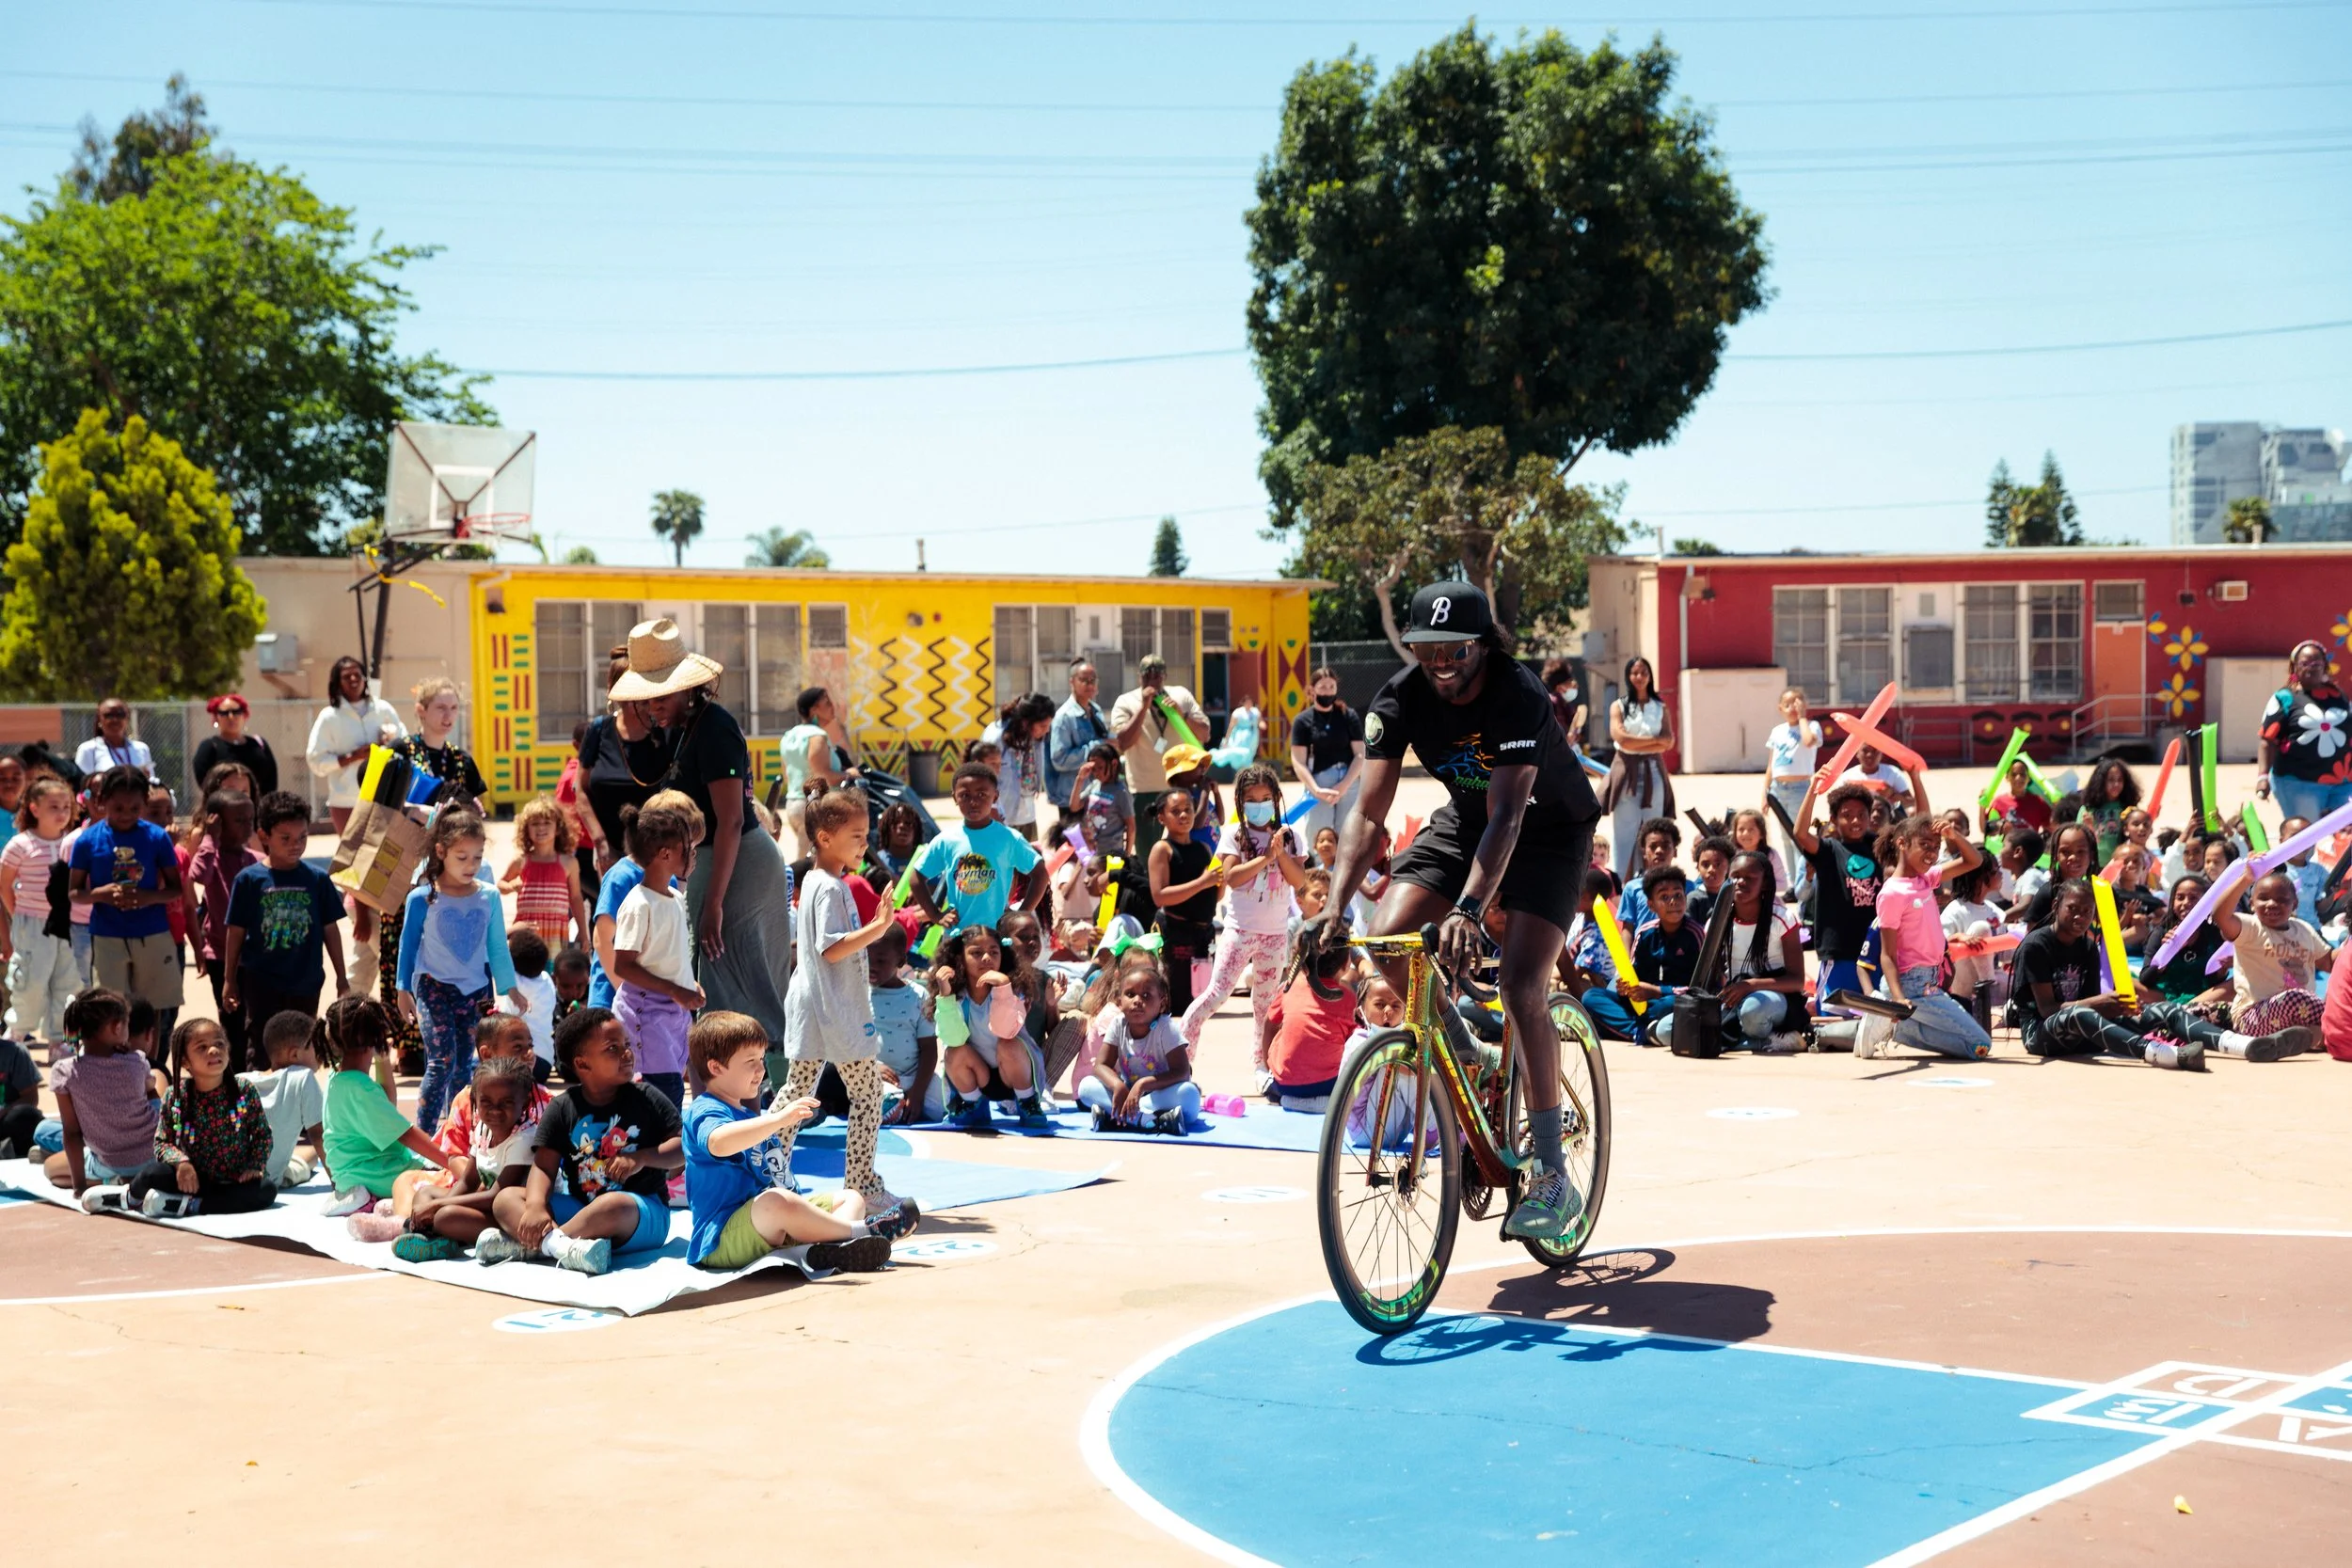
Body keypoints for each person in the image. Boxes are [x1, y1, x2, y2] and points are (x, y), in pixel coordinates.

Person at [1318, 581, 1604, 1241]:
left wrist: (1469, 911)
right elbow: (1368, 812)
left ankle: (1553, 1174)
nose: (1441, 662)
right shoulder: (1397, 700)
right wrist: (1333, 906)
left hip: (1548, 829)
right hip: (1470, 821)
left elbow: (1510, 816)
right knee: (1385, 937)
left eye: (1456, 649)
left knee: (1521, 985)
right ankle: (1465, 1045)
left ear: (1484, 646)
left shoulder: (1518, 693)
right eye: (1428, 649)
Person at [619, 618, 796, 1043]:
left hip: (739, 861)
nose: (653, 705)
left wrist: (714, 902)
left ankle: (761, 1072)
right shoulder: (680, 730)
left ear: (687, 687)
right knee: (714, 976)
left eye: (662, 694)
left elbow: (731, 820)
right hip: (713, 860)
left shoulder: (714, 727)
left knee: (739, 977)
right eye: (647, 697)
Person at [684, 1010, 914, 1275]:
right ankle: (863, 1231)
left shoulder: (746, 1114)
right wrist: (778, 1119)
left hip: (772, 1224)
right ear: (716, 1067)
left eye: (761, 1059)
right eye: (750, 1061)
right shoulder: (705, 1110)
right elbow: (718, 1142)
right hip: (722, 1238)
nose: (761, 1070)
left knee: (851, 1198)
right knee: (776, 1201)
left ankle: (832, 1250)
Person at [2014, 880, 2307, 1069]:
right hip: (2042, 1033)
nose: (2080, 917)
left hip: (2084, 1029)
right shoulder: (2036, 946)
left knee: (2166, 1010)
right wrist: (2100, 1003)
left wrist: (2115, 1006)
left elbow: (2091, 1001)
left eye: (2087, 911)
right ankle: (2162, 1054)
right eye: (2073, 909)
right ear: (2056, 907)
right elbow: (2048, 1010)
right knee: (2079, 1014)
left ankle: (2244, 1045)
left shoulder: (2087, 946)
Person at [478, 1007, 682, 1275]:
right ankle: (561, 1247)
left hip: (641, 1213)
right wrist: (536, 1206)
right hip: (579, 1208)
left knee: (611, 1205)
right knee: (506, 1199)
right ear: (583, 1064)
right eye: (613, 1048)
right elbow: (543, 1167)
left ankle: (538, 1246)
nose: (627, 1053)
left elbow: (682, 1148)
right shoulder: (562, 1107)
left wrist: (641, 1158)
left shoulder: (647, 1096)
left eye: (627, 1045)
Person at [779, 786, 901, 1207]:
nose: (865, 844)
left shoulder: (819, 881)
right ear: (825, 838)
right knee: (867, 1094)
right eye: (857, 835)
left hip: (816, 1003)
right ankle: (862, 1184)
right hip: (833, 1007)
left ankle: (763, 1169)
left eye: (866, 835)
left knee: (796, 1093)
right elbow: (831, 948)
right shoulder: (830, 887)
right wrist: (878, 928)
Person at [394, 809, 527, 1135]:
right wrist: (402, 989)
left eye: (477, 857)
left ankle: (459, 1135)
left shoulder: (488, 895)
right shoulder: (422, 897)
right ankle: (425, 1137)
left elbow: (496, 946)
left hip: (475, 990)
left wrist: (510, 987)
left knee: (465, 1066)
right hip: (433, 987)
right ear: (441, 852)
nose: (471, 865)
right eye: (462, 857)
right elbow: (407, 947)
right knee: (441, 1061)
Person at [220, 790, 349, 1049]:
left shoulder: (317, 880)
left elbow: (330, 930)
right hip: (262, 983)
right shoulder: (248, 880)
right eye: (286, 838)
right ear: (264, 836)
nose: (296, 845)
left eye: (302, 837)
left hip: (306, 982)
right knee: (262, 1046)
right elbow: (235, 932)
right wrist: (229, 979)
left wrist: (341, 978)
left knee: (302, 1046)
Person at [1859, 815, 1992, 1062]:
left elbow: (1974, 860)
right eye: (1925, 845)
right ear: (1902, 843)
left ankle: (1895, 1028)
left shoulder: (1926, 879)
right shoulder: (1892, 893)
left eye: (1936, 847)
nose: (1932, 853)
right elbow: (1887, 955)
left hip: (1930, 983)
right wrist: (1899, 999)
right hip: (1910, 984)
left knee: (1976, 1045)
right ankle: (1893, 1022)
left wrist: (1954, 836)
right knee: (1980, 1045)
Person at [384, 1053, 536, 1261]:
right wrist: (438, 1205)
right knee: (426, 1194)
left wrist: (439, 1208)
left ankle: (438, 1236)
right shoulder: (483, 1129)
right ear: (474, 1101)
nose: (495, 1110)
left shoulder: (524, 1139)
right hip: (486, 1208)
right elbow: (468, 1181)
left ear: (525, 1103)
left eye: (507, 1102)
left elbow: (495, 1196)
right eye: (486, 1102)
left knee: (445, 1216)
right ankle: (436, 1237)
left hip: (510, 1216)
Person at [69, 765, 184, 1033]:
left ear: (144, 803)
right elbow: (74, 893)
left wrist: (147, 897)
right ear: (102, 801)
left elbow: (174, 888)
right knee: (111, 1007)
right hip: (107, 936)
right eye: (118, 808)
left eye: (134, 808)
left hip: (153, 933)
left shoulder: (157, 838)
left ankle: (150, 1057)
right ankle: (116, 1054)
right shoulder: (87, 841)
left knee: (152, 1009)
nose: (126, 815)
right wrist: (101, 894)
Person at [606, 796, 704, 1111]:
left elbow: (668, 955)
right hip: (646, 1015)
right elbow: (624, 966)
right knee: (663, 1095)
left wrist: (687, 984)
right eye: (686, 848)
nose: (692, 853)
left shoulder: (675, 897)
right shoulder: (638, 905)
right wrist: (674, 989)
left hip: (672, 1013)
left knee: (670, 1091)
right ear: (665, 854)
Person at [319, 996, 452, 1213]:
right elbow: (406, 1135)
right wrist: (452, 1164)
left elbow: (387, 1105)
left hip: (350, 1176)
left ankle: (372, 1202)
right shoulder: (361, 1089)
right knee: (448, 1182)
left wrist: (383, 1061)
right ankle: (388, 1208)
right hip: (377, 1176)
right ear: (375, 1036)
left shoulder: (338, 1078)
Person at [42, 989, 165, 1198]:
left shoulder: (64, 1072)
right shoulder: (136, 1061)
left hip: (108, 1161)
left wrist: (80, 1187)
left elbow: (71, 1133)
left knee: (50, 1169)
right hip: (154, 1154)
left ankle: (110, 1181)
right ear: (117, 1028)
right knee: (154, 1084)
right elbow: (150, 1091)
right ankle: (133, 1179)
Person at [933, 924, 1049, 1131]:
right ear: (960, 957)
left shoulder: (1014, 991)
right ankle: (973, 1103)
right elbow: (953, 1038)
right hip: (980, 1076)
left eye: (994, 952)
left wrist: (1003, 988)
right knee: (954, 1052)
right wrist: (945, 996)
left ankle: (1027, 1102)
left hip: (1013, 1075)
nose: (987, 958)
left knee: (1009, 1044)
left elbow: (1005, 1031)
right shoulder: (958, 996)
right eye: (976, 953)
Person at [906, 761, 1044, 934]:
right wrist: (935, 915)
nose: (973, 802)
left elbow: (1040, 874)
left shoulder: (1009, 839)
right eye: (965, 795)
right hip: (958, 935)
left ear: (995, 797)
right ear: (955, 798)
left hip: (996, 935)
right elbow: (916, 877)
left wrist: (1020, 915)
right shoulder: (946, 840)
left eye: (981, 794)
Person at [574, 646, 675, 874]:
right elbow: (580, 790)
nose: (632, 699)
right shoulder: (599, 730)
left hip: (659, 853)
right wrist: (600, 842)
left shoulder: (665, 732)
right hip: (609, 854)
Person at [1792, 779, 1885, 1010]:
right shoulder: (1828, 850)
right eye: (1847, 815)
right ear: (1833, 819)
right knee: (1833, 1017)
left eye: (1862, 815)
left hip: (1875, 950)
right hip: (1840, 951)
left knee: (1876, 1014)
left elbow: (1914, 832)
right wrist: (1813, 790)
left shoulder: (1879, 847)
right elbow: (1800, 833)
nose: (1855, 821)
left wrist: (1914, 777)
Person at [2213, 864, 2332, 1041]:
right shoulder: (2251, 927)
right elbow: (2220, 916)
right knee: (2296, 997)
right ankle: (2331, 1024)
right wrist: (2245, 879)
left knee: (2318, 1022)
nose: (2272, 904)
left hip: (2296, 1017)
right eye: (2263, 898)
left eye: (2282, 899)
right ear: (2252, 904)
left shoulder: (2304, 929)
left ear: (2295, 904)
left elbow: (2328, 962)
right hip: (2253, 1018)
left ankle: (2308, 1039)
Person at [1108, 653, 1213, 854]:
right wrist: (1143, 708)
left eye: (1157, 675)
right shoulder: (1126, 701)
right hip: (1144, 788)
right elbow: (1122, 743)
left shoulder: (1181, 696)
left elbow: (1205, 734)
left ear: (1165, 676)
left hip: (1181, 787)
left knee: (1184, 849)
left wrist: (1182, 716)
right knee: (1148, 851)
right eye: (1147, 675)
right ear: (1139, 677)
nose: (1152, 680)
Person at [1078, 960, 1199, 1133]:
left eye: (1146, 995)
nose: (1137, 1001)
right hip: (1127, 1093)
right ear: (1120, 1001)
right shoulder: (1118, 1024)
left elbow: (1182, 1072)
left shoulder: (1166, 1028)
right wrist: (1117, 1085)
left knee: (1190, 1094)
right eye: (1130, 994)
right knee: (1086, 1087)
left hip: (1160, 1096)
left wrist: (1143, 1084)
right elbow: (1100, 1065)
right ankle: (1152, 1121)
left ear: (1162, 1003)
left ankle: (1122, 1117)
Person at [2, 777, 78, 1047]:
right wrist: (18, 915)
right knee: (30, 983)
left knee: (69, 983)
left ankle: (61, 1042)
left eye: (66, 807)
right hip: (32, 925)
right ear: (34, 809)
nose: (62, 813)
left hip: (68, 925)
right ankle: (16, 1035)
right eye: (54, 807)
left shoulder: (73, 843)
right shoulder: (20, 845)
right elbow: (4, 885)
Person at [1717, 850, 1808, 1052]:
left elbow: (1797, 981)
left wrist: (1750, 986)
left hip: (1774, 998)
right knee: (1666, 1030)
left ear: (1765, 883)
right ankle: (1767, 1041)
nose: (1740, 882)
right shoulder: (1716, 921)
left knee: (1753, 1011)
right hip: (1734, 999)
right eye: (1735, 876)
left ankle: (1749, 1038)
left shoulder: (1782, 919)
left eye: (1749, 878)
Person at [1257, 934, 1359, 1113]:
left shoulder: (1290, 987)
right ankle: (1325, 1101)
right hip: (1330, 1085)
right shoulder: (1348, 998)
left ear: (1303, 963)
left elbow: (1269, 1025)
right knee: (1351, 1037)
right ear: (1346, 965)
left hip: (1285, 1085)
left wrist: (1268, 1066)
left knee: (1283, 1031)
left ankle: (1275, 1088)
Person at [2255, 638, 2352, 825]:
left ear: (2325, 666)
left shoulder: (2338, 695)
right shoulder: (2284, 698)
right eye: (2305, 663)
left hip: (2343, 783)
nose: (2311, 668)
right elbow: (2267, 741)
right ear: (2294, 667)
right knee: (2307, 835)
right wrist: (2263, 776)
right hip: (2300, 783)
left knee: (2345, 837)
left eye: (2317, 663)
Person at [1146, 789, 1220, 1021]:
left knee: (1202, 1004)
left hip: (1203, 936)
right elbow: (1160, 896)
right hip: (1176, 935)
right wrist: (1202, 882)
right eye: (1176, 811)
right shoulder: (1163, 849)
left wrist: (1221, 880)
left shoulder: (1203, 848)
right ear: (1162, 817)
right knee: (1177, 1006)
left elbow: (1214, 895)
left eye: (1188, 810)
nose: (1184, 815)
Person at [1599, 656, 1674, 880]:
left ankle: (1653, 880)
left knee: (1653, 829)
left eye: (1644, 673)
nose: (1639, 677)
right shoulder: (1619, 706)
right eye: (1635, 673)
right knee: (1625, 832)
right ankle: (1622, 885)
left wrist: (1638, 742)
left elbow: (1669, 741)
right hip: (1627, 772)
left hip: (1653, 771)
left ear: (1650, 676)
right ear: (1628, 676)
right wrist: (1654, 742)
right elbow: (1621, 739)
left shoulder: (1660, 707)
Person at [243, 1009, 326, 1190]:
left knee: (307, 1155)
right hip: (266, 1180)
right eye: (317, 1048)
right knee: (313, 1153)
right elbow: (319, 1134)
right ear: (295, 1055)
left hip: (234, 1175)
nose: (321, 1055)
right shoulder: (302, 1077)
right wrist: (340, 1184)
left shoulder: (241, 1080)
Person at [869, 923, 943, 1125]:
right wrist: (872, 1067)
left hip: (914, 1075)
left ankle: (905, 1105)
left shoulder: (918, 995)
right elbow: (849, 1043)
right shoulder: (858, 995)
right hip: (875, 1074)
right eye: (866, 959)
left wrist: (917, 1093)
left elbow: (929, 1049)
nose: (871, 966)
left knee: (940, 1108)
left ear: (901, 961)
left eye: (881, 960)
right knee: (888, 1104)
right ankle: (894, 1105)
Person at [778, 685, 856, 860]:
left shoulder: (789, 736)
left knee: (807, 857)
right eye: (827, 703)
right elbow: (823, 776)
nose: (832, 707)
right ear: (814, 710)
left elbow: (787, 776)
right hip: (813, 806)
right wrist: (849, 774)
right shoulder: (817, 736)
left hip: (793, 803)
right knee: (811, 863)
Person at [1289, 666, 1365, 839]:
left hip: (1348, 780)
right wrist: (1316, 790)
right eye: (1323, 687)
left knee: (1348, 835)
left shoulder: (1348, 715)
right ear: (1312, 690)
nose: (1328, 691)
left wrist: (1344, 785)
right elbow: (1298, 762)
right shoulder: (1302, 721)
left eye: (1332, 687)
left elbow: (1360, 754)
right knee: (1317, 834)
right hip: (1319, 782)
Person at [501, 795, 587, 950]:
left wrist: (583, 931)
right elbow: (501, 884)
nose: (541, 828)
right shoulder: (521, 861)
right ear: (526, 829)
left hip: (556, 933)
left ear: (558, 828)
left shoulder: (569, 863)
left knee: (555, 966)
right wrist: (511, 886)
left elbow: (575, 898)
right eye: (535, 824)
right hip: (527, 932)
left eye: (547, 823)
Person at [1046, 658, 1113, 837]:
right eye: (1084, 680)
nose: (1089, 685)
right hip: (1073, 798)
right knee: (1074, 849)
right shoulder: (1064, 717)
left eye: (1093, 680)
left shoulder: (1096, 710)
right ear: (1072, 682)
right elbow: (1059, 759)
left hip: (1097, 795)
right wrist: (1097, 747)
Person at [1761, 687, 1820, 880]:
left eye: (1796, 703)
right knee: (1785, 838)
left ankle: (1803, 881)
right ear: (1780, 708)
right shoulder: (1777, 731)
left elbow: (1809, 741)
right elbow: (1771, 765)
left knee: (1799, 836)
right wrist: (1765, 793)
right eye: (1787, 705)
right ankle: (1794, 881)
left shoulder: (1812, 726)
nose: (1792, 708)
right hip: (1778, 789)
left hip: (1799, 788)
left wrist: (1802, 717)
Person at [980, 692, 1055, 844]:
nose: (1046, 730)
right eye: (1042, 726)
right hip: (1000, 816)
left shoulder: (1036, 738)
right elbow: (982, 778)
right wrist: (992, 810)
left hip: (1027, 816)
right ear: (1026, 722)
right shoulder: (996, 737)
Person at [499, 927, 559, 1076]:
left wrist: (512, 930)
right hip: (544, 1063)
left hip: (517, 1061)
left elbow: (496, 950)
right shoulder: (547, 981)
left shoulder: (512, 981)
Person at [193, 693, 278, 798]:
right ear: (216, 718)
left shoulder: (259, 744)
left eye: (236, 712)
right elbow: (204, 781)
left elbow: (271, 778)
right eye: (224, 713)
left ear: (244, 715)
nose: (231, 717)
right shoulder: (210, 746)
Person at [1067, 741, 1135, 862]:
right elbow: (1074, 806)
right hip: (1091, 852)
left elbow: (1131, 826)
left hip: (1112, 854)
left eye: (1100, 768)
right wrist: (1080, 779)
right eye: (1093, 769)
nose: (1096, 772)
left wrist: (1127, 857)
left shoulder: (1121, 792)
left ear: (1114, 764)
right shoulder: (1094, 785)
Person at [74, 698, 155, 783]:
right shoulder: (88, 749)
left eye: (120, 715)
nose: (115, 720)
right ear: (99, 720)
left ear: (127, 719)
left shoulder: (141, 748)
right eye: (109, 715)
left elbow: (152, 781)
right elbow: (80, 785)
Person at [0, 1027, 40, 1161]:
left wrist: (4, 1111)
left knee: (25, 1114)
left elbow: (31, 1098)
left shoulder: (15, 1052)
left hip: (4, 1122)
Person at [1989, 756, 2053, 834]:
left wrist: (2057, 804)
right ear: (2007, 777)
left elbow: (2052, 827)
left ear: (2029, 778)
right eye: (2014, 774)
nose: (2018, 778)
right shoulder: (1999, 802)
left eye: (2022, 774)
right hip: (2008, 842)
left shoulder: (2038, 802)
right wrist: (1982, 807)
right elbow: (1986, 829)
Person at [1541, 659, 1589, 750]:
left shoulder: (1566, 706)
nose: (1575, 687)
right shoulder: (1552, 704)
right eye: (1570, 684)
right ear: (1559, 687)